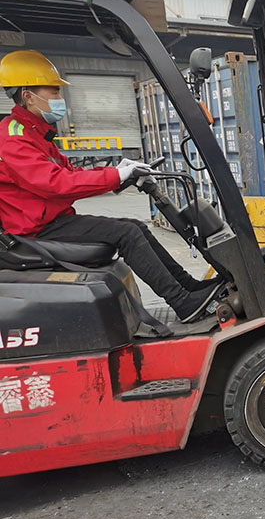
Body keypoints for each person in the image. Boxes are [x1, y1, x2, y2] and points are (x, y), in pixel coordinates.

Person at [0, 50, 221, 324]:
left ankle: (188, 287)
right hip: (35, 230)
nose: (59, 98)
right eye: (54, 91)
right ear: (28, 96)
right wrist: (116, 176)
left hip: (50, 221)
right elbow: (55, 183)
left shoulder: (35, 132)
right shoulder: (14, 138)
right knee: (127, 233)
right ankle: (183, 303)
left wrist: (118, 172)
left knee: (137, 227)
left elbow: (70, 173)